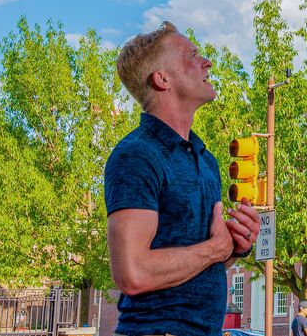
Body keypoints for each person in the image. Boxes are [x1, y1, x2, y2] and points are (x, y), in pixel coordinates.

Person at [104, 22, 262, 336]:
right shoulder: (136, 155)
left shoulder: (206, 160)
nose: (207, 62)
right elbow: (132, 273)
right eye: (192, 55)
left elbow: (200, 264)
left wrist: (235, 246)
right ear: (162, 79)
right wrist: (217, 249)